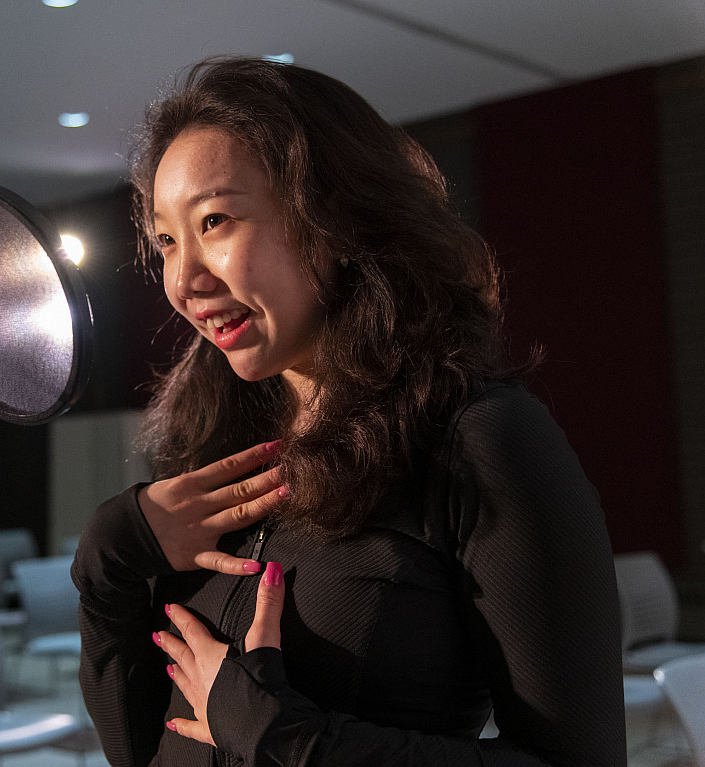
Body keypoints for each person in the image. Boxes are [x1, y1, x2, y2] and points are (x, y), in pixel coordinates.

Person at [70, 56, 626, 767]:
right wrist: (108, 562)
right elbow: (148, 750)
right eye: (167, 241)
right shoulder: (212, 445)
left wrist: (284, 734)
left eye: (215, 220)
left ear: (331, 218)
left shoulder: (481, 438)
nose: (183, 280)